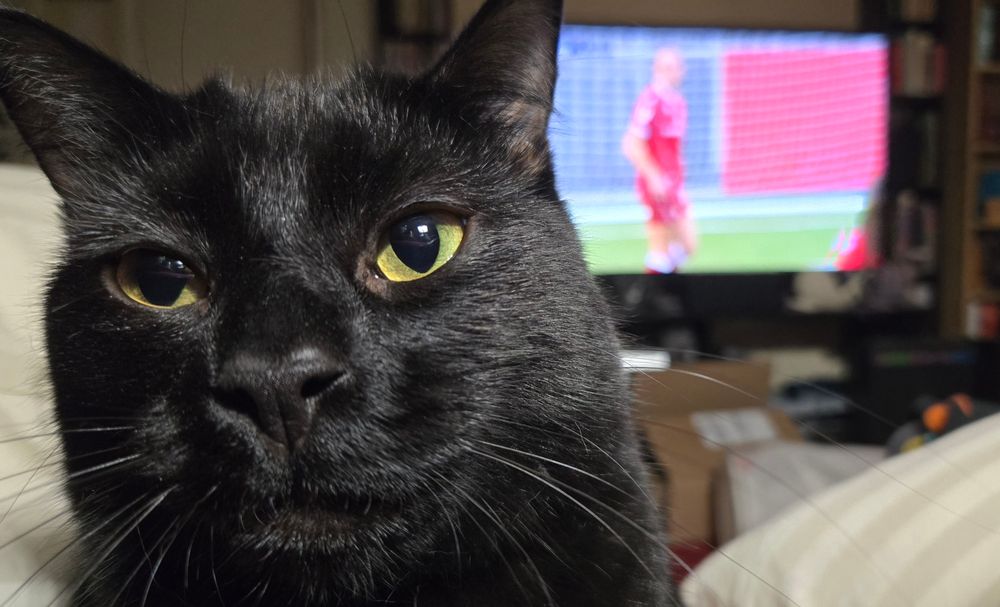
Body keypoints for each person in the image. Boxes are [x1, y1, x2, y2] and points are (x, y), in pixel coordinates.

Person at [622, 48, 698, 274]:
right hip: (658, 183)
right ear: (656, 69)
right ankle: (650, 297)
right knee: (664, 248)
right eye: (667, 67)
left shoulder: (678, 102)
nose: (673, 72)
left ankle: (666, 293)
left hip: (674, 182)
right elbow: (631, 144)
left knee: (684, 248)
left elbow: (673, 149)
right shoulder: (650, 100)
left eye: (676, 67)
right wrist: (654, 176)